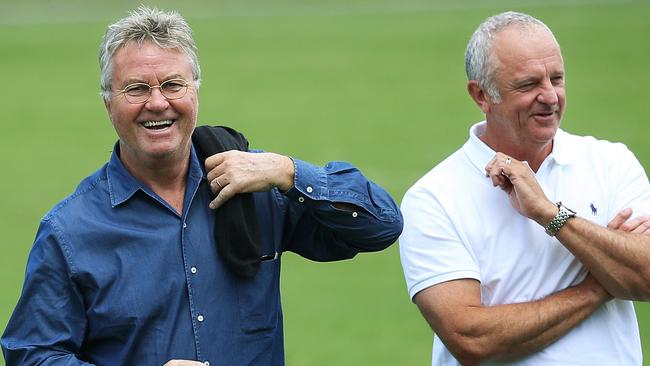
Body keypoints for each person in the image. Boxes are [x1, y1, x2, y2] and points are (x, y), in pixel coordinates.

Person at [1, 6, 403, 366]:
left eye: (173, 85)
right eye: (136, 88)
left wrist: (290, 172)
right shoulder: (70, 231)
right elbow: (32, 355)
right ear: (109, 103)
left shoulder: (257, 185)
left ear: (195, 90)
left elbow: (382, 225)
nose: (157, 103)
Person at [399, 11, 650, 365]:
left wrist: (550, 214)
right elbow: (472, 339)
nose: (549, 96)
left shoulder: (611, 163)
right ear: (482, 95)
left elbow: (647, 276)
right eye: (528, 84)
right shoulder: (433, 198)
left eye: (557, 79)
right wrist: (600, 284)